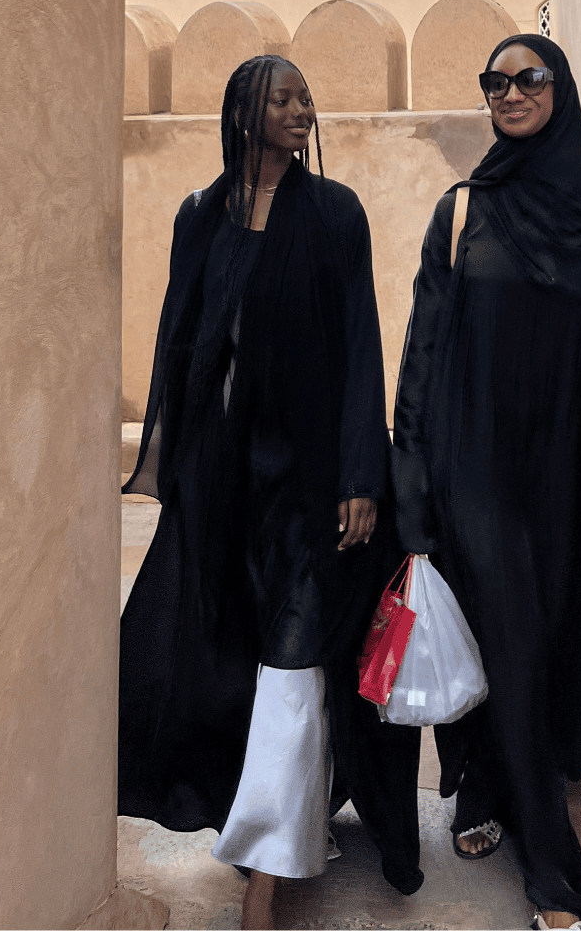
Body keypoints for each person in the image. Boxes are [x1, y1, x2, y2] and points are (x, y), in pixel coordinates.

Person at [119, 55, 423, 930]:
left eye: (304, 97)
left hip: (315, 483)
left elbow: (363, 346)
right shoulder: (198, 217)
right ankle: (288, 810)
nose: (301, 110)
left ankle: (264, 876)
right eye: (280, 99)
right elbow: (180, 343)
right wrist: (178, 472)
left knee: (293, 665)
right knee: (240, 661)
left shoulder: (334, 215)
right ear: (242, 115)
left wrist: (364, 476)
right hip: (226, 486)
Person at [392, 34, 581, 931]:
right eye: (495, 82)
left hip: (567, 474)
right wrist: (412, 478)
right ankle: (548, 873)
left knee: (540, 636)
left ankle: (492, 782)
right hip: (475, 468)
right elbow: (421, 357)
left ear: (561, 90)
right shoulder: (464, 211)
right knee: (499, 630)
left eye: (529, 79)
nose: (510, 93)